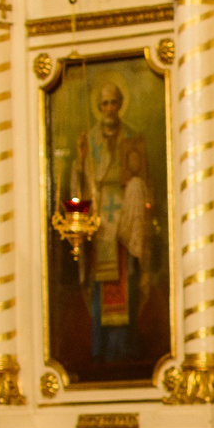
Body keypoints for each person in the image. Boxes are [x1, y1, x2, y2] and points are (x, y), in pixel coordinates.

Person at [63, 79, 156, 365]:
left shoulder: (132, 136)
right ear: (99, 107)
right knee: (100, 282)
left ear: (119, 105)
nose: (109, 108)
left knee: (126, 276)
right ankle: (102, 347)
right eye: (104, 103)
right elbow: (81, 179)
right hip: (101, 215)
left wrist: (136, 191)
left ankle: (124, 346)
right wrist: (79, 161)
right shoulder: (89, 139)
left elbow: (142, 176)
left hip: (125, 216)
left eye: (113, 102)